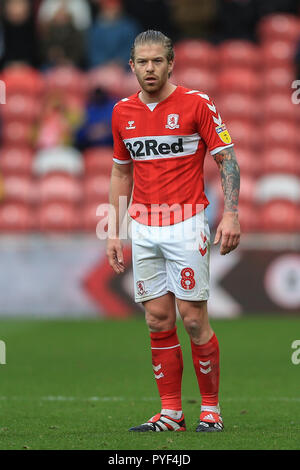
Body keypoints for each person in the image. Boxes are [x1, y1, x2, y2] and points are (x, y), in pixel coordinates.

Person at [107, 30, 240, 432]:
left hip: (187, 223)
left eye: (157, 61)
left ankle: (211, 409)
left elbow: (227, 160)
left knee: (194, 319)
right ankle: (171, 413)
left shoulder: (196, 104)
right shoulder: (121, 113)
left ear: (171, 63)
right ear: (131, 66)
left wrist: (231, 214)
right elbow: (120, 170)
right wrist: (114, 230)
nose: (150, 69)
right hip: (144, 227)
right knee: (157, 320)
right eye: (142, 62)